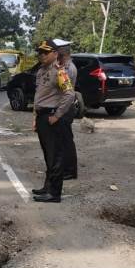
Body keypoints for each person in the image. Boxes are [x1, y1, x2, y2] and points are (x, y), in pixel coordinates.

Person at [31, 39, 75, 203]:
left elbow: (69, 94)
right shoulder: (42, 71)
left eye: (45, 52)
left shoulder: (60, 72)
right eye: (40, 52)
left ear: (55, 54)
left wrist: (57, 115)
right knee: (48, 155)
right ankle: (47, 187)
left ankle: (54, 193)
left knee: (55, 156)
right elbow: (39, 96)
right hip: (43, 116)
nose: (41, 55)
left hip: (52, 118)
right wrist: (35, 117)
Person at [54, 38, 78, 180]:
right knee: (62, 139)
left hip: (65, 107)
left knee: (66, 140)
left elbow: (65, 91)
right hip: (63, 106)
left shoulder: (68, 68)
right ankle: (65, 168)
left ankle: (69, 170)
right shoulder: (65, 66)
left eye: (57, 53)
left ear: (62, 53)